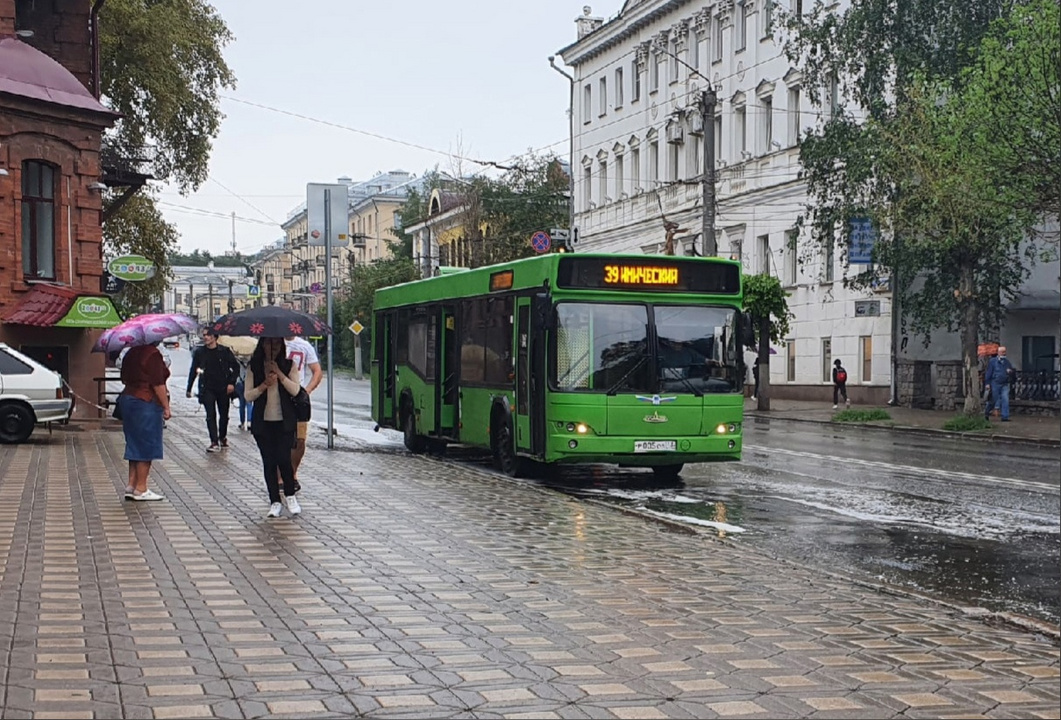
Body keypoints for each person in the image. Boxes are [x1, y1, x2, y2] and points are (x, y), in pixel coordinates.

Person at [244, 337, 303, 518]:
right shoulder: (254, 367)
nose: (273, 348)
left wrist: (280, 374)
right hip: (263, 423)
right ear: (262, 345)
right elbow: (248, 396)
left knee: (284, 459)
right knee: (269, 462)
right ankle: (274, 501)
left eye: (277, 344)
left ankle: (290, 495)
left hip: (284, 422)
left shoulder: (288, 365)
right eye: (269, 344)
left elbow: (296, 390)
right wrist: (264, 385)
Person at [117, 342, 171, 501]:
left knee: (134, 442)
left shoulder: (131, 352)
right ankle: (141, 488)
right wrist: (166, 406)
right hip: (145, 400)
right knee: (147, 443)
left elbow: (123, 377)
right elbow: (158, 383)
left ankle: (131, 485)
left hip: (128, 399)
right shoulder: (152, 354)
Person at [186, 328, 240, 452]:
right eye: (204, 335)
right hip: (207, 388)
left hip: (223, 388)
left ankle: (222, 436)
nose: (205, 337)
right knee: (210, 415)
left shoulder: (224, 351)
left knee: (224, 415)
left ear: (215, 337)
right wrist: (189, 388)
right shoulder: (200, 352)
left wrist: (231, 383)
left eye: (208, 335)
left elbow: (235, 367)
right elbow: (193, 370)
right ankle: (214, 441)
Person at [285, 335, 323, 489]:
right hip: (279, 396)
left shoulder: (304, 345)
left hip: (298, 397)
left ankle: (292, 474)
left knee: (300, 439)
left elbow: (317, 371)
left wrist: (306, 391)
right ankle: (281, 476)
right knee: (282, 439)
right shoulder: (273, 342)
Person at [984, 345, 1016, 422]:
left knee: (1005, 399)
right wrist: (987, 383)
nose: (1004, 353)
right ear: (998, 353)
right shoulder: (993, 361)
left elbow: (1012, 371)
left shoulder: (1007, 362)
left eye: (1004, 352)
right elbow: (989, 373)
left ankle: (1005, 417)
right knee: (993, 400)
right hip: (995, 383)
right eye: (1002, 352)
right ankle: (987, 412)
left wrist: (1010, 372)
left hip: (1004, 383)